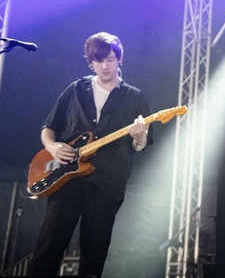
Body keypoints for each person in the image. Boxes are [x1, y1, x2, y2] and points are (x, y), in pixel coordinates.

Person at [27, 32, 152, 277]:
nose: (105, 66)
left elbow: (140, 146)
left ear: (119, 59)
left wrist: (140, 138)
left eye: (110, 59)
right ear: (91, 62)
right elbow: (48, 127)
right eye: (98, 60)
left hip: (107, 182)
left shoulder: (135, 97)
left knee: (94, 253)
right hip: (66, 177)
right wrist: (53, 147)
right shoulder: (76, 89)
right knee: (49, 246)